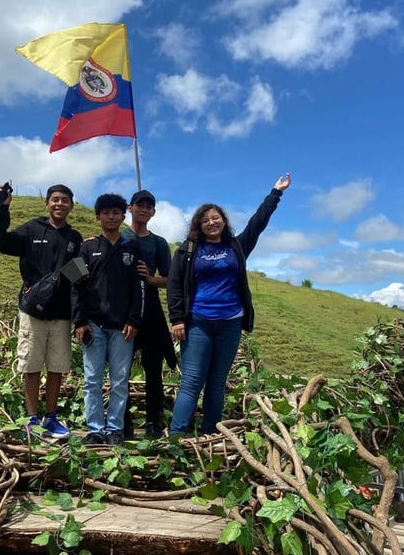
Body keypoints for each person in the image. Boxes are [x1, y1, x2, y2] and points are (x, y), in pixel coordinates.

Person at [167, 173, 292, 436]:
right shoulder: (188, 250)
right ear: (198, 226)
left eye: (216, 218)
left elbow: (258, 223)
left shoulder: (237, 246)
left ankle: (210, 431)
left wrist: (275, 193)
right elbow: (175, 284)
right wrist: (177, 318)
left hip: (230, 323)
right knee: (191, 381)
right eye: (205, 220)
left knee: (216, 382)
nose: (211, 223)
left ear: (223, 220)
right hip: (198, 322)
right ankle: (177, 435)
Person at [0, 183, 83, 439]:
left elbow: (77, 277)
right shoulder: (32, 229)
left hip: (62, 314)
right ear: (47, 203)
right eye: (55, 199)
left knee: (57, 366)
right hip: (33, 312)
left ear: (71, 206)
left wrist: (80, 315)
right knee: (31, 365)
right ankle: (32, 419)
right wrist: (2, 209)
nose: (59, 204)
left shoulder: (74, 239)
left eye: (65, 200)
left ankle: (51, 418)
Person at [72, 194, 144, 446]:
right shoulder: (86, 247)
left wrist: (134, 319)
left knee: (119, 380)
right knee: (92, 379)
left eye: (115, 212)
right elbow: (75, 285)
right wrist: (79, 320)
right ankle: (94, 430)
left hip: (123, 326)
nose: (111, 217)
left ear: (123, 216)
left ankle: (115, 429)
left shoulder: (131, 249)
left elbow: (138, 288)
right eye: (106, 213)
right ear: (98, 217)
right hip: (92, 324)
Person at [121, 190, 175, 439]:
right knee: (121, 368)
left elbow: (172, 279)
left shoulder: (159, 243)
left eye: (148, 206)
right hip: (122, 309)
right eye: (139, 205)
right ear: (130, 208)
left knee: (153, 369)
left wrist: (151, 279)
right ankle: (122, 421)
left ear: (153, 212)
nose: (143, 210)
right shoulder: (119, 234)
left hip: (151, 310)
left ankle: (154, 421)